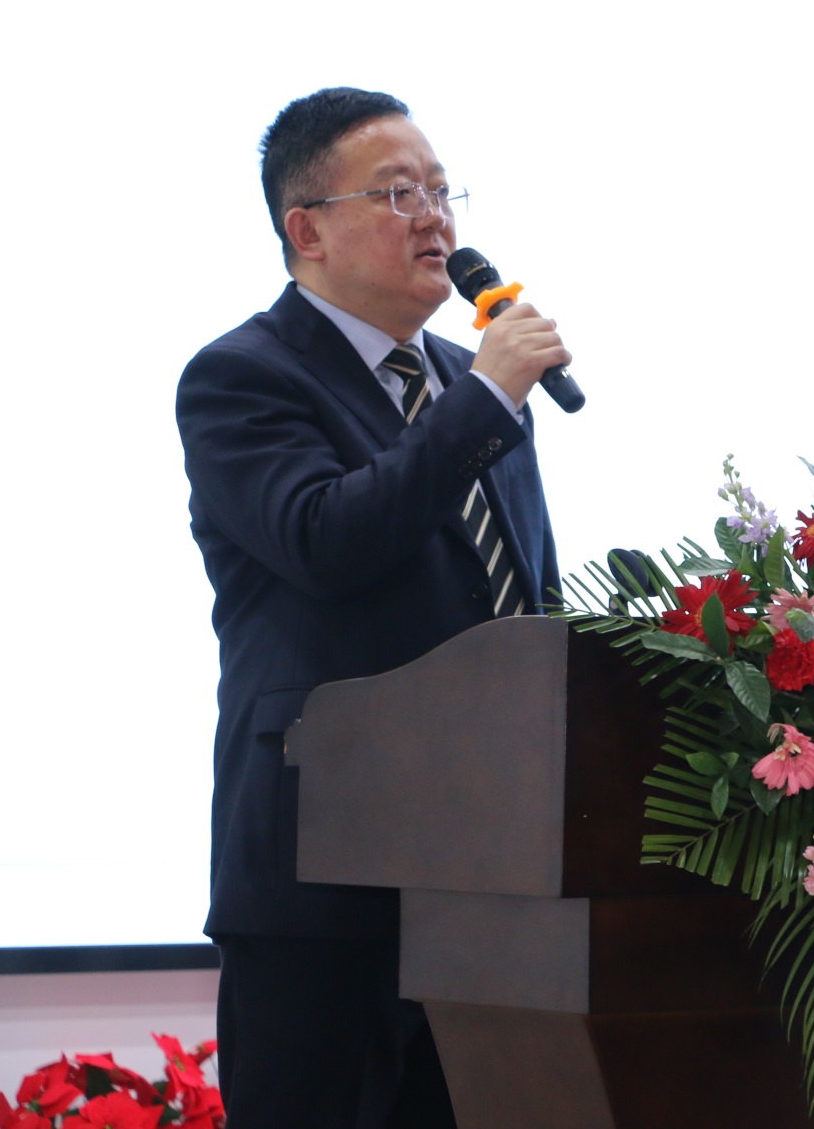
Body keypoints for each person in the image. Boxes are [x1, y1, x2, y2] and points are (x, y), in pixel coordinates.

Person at [175, 87, 571, 1127]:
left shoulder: (471, 385)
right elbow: (326, 539)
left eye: (442, 191)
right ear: (306, 229)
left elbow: (525, 601)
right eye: (399, 194)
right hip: (326, 877)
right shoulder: (241, 378)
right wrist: (485, 401)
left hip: (491, 876)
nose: (436, 219)